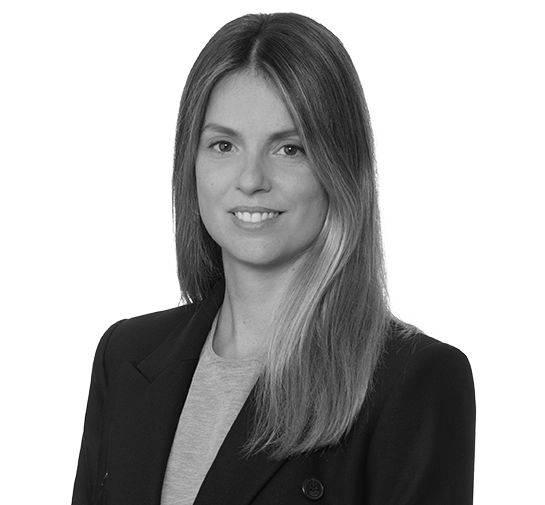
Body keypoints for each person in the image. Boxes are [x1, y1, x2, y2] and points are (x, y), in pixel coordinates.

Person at [72, 12, 476, 505]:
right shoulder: (125, 355)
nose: (250, 179)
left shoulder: (415, 382)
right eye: (223, 145)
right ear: (191, 163)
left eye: (289, 149)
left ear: (340, 167)